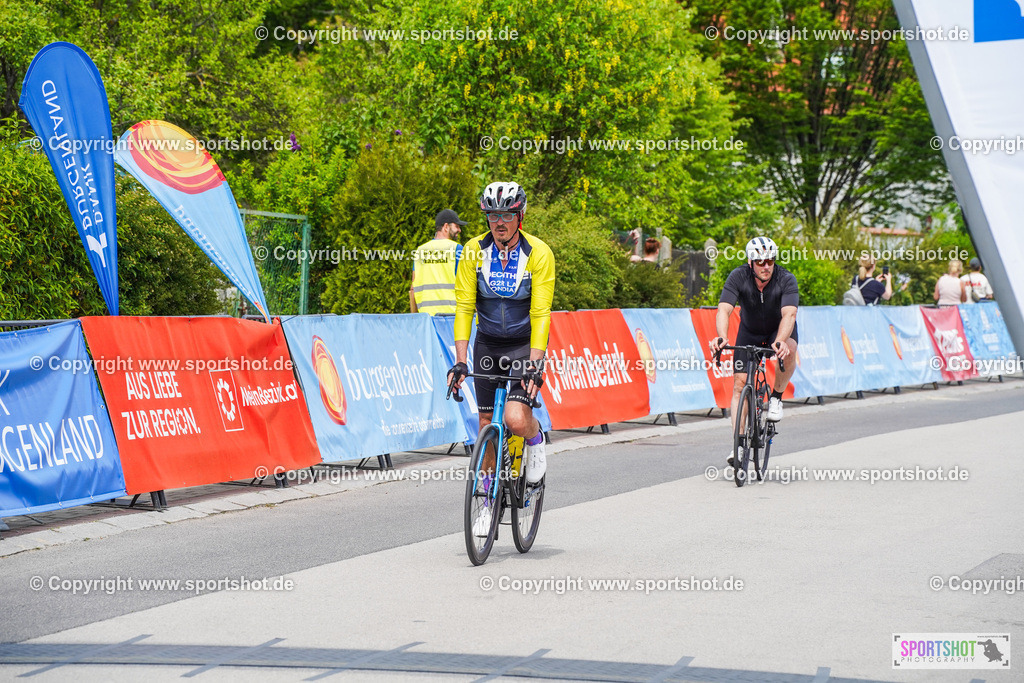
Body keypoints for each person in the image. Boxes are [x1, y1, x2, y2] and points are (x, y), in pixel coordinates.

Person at [446, 182, 555, 535]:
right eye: (493, 215)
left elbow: (541, 313)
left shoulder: (538, 253)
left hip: (524, 345)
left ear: (520, 216)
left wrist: (536, 365)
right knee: (484, 427)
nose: (499, 222)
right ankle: (488, 503)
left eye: (507, 214)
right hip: (488, 344)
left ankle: (536, 442)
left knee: (515, 418)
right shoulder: (473, 252)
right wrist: (461, 360)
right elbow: (463, 308)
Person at [708, 237, 798, 466]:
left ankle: (776, 398)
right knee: (739, 385)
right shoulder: (738, 276)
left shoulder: (786, 279)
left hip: (778, 330)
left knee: (790, 349)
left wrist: (780, 341)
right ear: (751, 262)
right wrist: (721, 336)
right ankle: (737, 447)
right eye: (760, 262)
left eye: (769, 261)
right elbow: (724, 310)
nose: (766, 266)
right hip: (750, 331)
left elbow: (789, 314)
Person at [409, 209, 466, 314]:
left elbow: (413, 290)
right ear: (446, 227)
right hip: (452, 319)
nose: (459, 230)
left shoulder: (420, 251)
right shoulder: (457, 249)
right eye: (456, 226)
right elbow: (468, 286)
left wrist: (415, 319)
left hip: (426, 319)